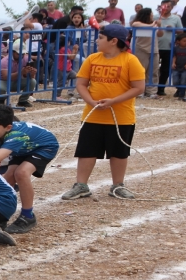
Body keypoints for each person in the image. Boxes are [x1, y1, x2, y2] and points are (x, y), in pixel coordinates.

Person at [61, 24, 145, 201]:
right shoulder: (92, 59)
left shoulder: (130, 60)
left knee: (119, 152)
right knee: (86, 150)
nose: (96, 41)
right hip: (93, 115)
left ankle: (118, 185)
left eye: (100, 38)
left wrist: (113, 102)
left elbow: (138, 88)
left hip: (121, 117)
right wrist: (91, 102)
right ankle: (81, 185)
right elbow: (81, 84)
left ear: (113, 41)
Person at [0, 103, 58, 234]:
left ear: (8, 127)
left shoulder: (17, 135)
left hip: (44, 147)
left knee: (21, 173)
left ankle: (28, 216)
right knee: (7, 179)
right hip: (23, 149)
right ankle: (1, 213)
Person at [0, 39, 37, 107]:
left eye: (23, 53)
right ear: (12, 52)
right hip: (4, 81)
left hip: (17, 81)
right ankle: (1, 99)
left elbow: (30, 77)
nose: (21, 55)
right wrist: (21, 72)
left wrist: (32, 73)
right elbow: (6, 77)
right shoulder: (5, 61)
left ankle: (23, 100)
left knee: (32, 81)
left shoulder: (26, 59)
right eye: (18, 54)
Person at [132, 8, 163, 98]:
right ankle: (139, 90)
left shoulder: (155, 24)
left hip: (154, 49)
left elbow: (160, 34)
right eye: (151, 13)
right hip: (141, 49)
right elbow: (135, 24)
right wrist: (152, 25)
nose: (152, 15)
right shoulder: (138, 23)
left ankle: (151, 91)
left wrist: (160, 26)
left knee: (153, 71)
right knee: (140, 71)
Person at [156, 0, 183, 96]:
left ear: (172, 7)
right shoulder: (155, 17)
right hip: (155, 46)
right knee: (153, 68)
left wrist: (173, 29)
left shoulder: (176, 18)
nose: (165, 8)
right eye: (164, 5)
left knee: (165, 69)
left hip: (169, 47)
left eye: (168, 6)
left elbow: (181, 31)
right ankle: (151, 88)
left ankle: (161, 88)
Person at [171, 33, 186, 99]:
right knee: (175, 81)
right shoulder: (175, 48)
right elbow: (174, 56)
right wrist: (173, 63)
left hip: (185, 68)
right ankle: (179, 90)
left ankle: (181, 94)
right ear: (178, 41)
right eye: (184, 41)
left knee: (183, 81)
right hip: (176, 67)